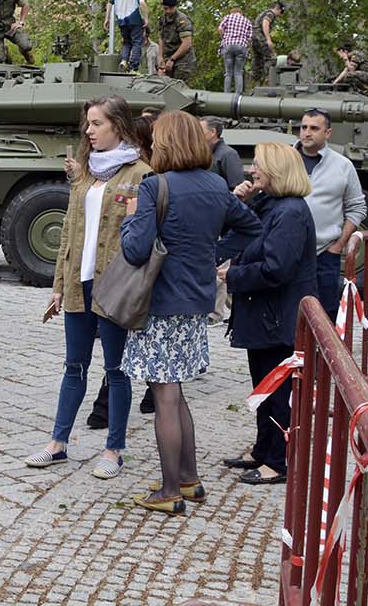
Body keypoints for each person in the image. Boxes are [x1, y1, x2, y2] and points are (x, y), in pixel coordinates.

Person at [119, 113, 261, 515]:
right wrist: (211, 254)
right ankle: (189, 478)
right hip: (196, 300)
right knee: (175, 391)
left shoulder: (155, 186)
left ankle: (169, 491)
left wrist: (128, 220)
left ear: (166, 143)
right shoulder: (215, 184)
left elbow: (135, 250)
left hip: (160, 301)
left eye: (156, 139)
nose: (151, 145)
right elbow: (250, 227)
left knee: (164, 394)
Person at [28, 96, 149, 477]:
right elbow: (68, 231)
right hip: (79, 285)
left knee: (116, 370)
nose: (88, 130)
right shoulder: (86, 173)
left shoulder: (140, 174)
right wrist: (59, 285)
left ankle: (114, 450)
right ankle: (57, 443)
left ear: (118, 125)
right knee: (74, 366)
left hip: (114, 288)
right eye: (88, 123)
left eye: (96, 123)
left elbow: (144, 239)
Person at [219, 143, 317, 486]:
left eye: (258, 165)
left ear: (276, 170)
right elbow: (238, 235)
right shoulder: (269, 204)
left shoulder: (290, 212)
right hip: (264, 317)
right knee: (263, 388)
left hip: (278, 319)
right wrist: (239, 201)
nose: (251, 170)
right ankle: (263, 449)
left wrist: (233, 276)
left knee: (278, 394)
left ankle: (279, 460)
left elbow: (278, 268)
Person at [294, 109, 366, 317]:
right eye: (304, 127)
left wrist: (338, 246)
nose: (307, 132)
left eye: (314, 128)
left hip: (325, 254)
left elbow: (357, 207)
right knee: (287, 314)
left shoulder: (343, 166)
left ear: (328, 133)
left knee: (325, 315)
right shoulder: (284, 161)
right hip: (287, 252)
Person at [106, 0, 148, 72]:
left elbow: (110, 3)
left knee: (126, 42)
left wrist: (107, 18)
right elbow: (142, 3)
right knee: (137, 42)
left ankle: (124, 61)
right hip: (135, 19)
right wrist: (146, 18)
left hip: (121, 19)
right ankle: (134, 67)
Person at [155, 0, 195, 84]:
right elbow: (161, 39)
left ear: (175, 7)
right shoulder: (162, 20)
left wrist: (172, 59)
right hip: (168, 57)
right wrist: (160, 57)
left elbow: (187, 44)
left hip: (183, 60)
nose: (168, 11)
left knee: (179, 86)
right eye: (165, 8)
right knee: (163, 85)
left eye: (171, 8)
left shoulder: (182, 20)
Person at [200, 119, 245, 189]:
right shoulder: (202, 153)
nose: (195, 134)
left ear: (213, 132)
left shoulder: (228, 154)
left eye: (199, 130)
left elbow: (237, 187)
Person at [250, 1, 286, 88]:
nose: (280, 15)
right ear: (278, 9)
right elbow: (265, 23)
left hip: (254, 38)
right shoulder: (270, 14)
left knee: (257, 60)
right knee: (272, 58)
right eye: (280, 13)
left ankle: (256, 84)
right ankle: (268, 79)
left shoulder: (264, 12)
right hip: (260, 38)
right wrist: (268, 39)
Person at [217, 6, 252, 95]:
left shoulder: (228, 17)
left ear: (232, 12)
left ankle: (226, 94)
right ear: (240, 12)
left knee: (228, 73)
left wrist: (223, 37)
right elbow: (249, 38)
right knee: (238, 72)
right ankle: (238, 94)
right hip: (241, 46)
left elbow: (220, 28)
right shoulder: (247, 21)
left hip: (228, 45)